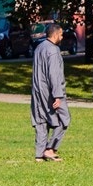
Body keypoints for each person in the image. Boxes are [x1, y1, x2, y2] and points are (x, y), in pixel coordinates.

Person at [30, 22, 69, 161]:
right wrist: (57, 96)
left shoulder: (39, 48)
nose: (62, 37)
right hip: (51, 92)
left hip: (38, 91)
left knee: (41, 121)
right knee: (64, 119)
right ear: (56, 34)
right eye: (61, 34)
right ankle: (50, 149)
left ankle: (39, 155)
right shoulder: (53, 50)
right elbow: (54, 74)